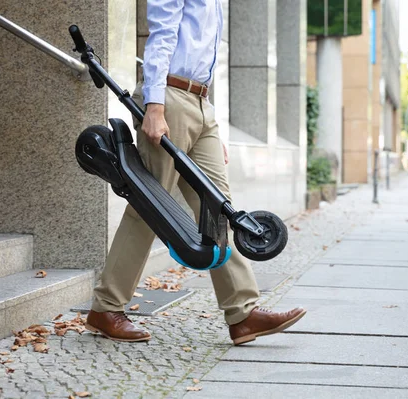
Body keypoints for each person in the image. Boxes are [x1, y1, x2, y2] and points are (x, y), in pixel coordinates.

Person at [85, 0, 306, 345]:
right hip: (169, 97)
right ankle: (106, 307)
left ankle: (243, 314)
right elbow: (161, 34)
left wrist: (207, 120)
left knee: (218, 207)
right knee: (149, 206)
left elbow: (204, 54)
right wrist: (155, 106)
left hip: (201, 103)